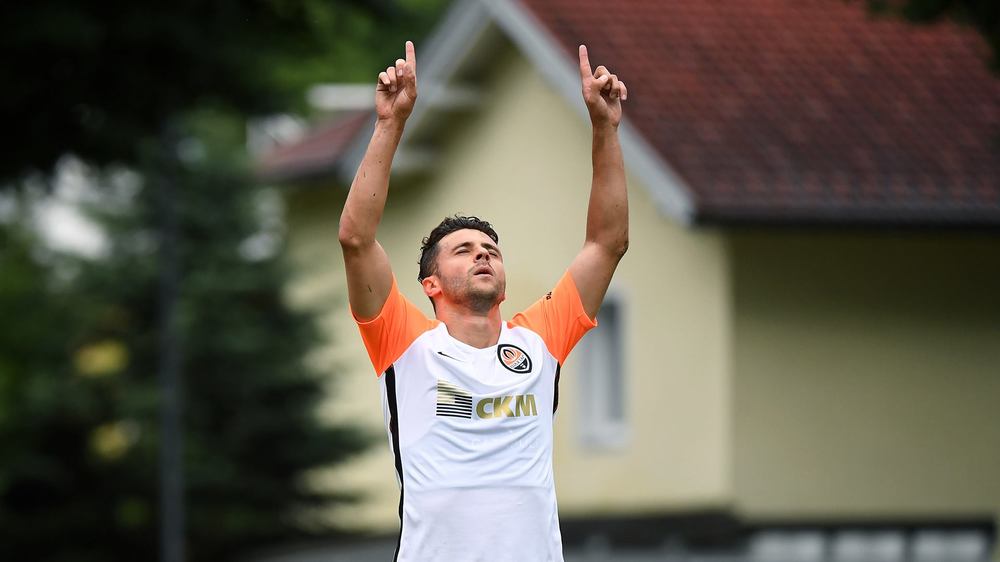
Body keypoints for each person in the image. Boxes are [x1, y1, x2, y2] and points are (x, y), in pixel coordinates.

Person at [338, 40, 628, 562]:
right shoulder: (404, 344)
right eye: (463, 250)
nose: (482, 254)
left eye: (491, 250)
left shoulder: (539, 341)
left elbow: (607, 243)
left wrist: (605, 128)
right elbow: (357, 239)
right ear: (431, 284)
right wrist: (390, 122)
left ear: (503, 281)